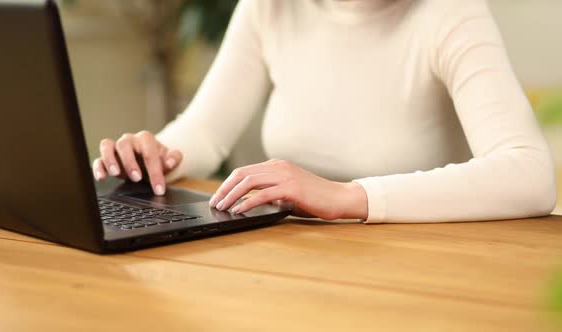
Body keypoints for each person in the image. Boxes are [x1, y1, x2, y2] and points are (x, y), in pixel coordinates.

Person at [92, 0, 556, 223]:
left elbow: (529, 176)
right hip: (302, 261)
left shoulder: (451, 13)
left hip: (420, 272)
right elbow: (207, 132)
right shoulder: (269, 7)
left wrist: (346, 196)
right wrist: (158, 155)